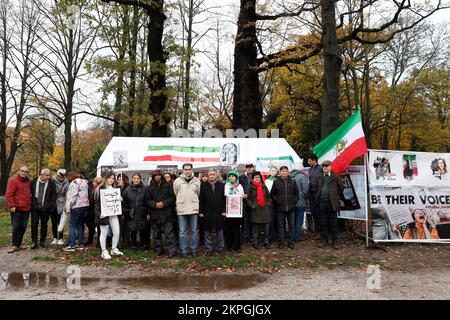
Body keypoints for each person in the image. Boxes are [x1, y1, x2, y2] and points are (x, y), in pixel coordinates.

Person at [173, 163, 201, 257]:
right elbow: (175, 193)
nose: (187, 171)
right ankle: (183, 251)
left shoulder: (197, 180)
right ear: (183, 170)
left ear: (192, 170)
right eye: (185, 169)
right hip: (182, 209)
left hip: (193, 209)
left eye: (189, 169)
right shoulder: (177, 181)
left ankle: (194, 250)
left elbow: (198, 193)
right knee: (182, 232)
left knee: (194, 231)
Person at [315, 160, 344, 250]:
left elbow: (341, 188)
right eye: (323, 166)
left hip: (332, 203)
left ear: (331, 167)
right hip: (322, 202)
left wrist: (334, 196)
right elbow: (317, 188)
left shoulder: (335, 176)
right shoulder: (319, 176)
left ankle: (335, 241)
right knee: (323, 222)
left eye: (326, 166)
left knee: (333, 222)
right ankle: (324, 240)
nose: (324, 167)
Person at [94, 173, 123, 259]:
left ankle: (114, 249)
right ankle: (104, 251)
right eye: (110, 178)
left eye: (113, 178)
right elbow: (97, 203)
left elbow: (117, 201)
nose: (111, 180)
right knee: (104, 233)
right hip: (104, 214)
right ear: (106, 178)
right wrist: (99, 213)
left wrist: (120, 199)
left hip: (113, 213)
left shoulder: (115, 189)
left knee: (117, 232)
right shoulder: (100, 188)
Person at [148, 170, 177, 257]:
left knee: (169, 233)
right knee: (156, 234)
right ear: (153, 177)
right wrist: (154, 204)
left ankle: (172, 251)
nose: (157, 176)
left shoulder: (168, 185)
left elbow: (172, 198)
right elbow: (147, 200)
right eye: (155, 175)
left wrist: (164, 203)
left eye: (159, 175)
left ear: (161, 176)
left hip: (166, 213)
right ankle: (159, 250)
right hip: (155, 213)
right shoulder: (150, 187)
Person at [270, 166, 299, 249]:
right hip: (280, 208)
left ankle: (291, 242)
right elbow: (272, 194)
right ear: (280, 173)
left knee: (291, 225)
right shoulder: (276, 182)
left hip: (291, 208)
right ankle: (281, 242)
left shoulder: (293, 181)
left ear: (288, 172)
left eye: (286, 171)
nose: (284, 172)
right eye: (283, 171)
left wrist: (294, 202)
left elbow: (296, 194)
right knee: (280, 225)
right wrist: (277, 201)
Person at [199, 169, 226, 255]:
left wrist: (224, 211)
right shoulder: (203, 185)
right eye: (210, 174)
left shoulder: (221, 185)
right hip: (207, 211)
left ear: (216, 175)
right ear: (208, 175)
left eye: (213, 174)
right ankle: (209, 248)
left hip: (218, 211)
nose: (212, 176)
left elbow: (223, 199)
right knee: (207, 230)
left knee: (219, 230)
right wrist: (201, 211)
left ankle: (220, 247)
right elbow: (201, 199)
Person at [6, 166, 32, 253]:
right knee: (16, 226)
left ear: (27, 173)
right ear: (19, 171)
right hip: (16, 208)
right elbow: (9, 195)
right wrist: (12, 205)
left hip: (26, 208)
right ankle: (14, 245)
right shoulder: (13, 181)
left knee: (23, 227)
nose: (23, 172)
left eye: (25, 171)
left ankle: (19, 244)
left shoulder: (28, 182)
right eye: (22, 171)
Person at [122, 173, 150, 250]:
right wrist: (125, 212)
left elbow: (148, 201)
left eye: (138, 178)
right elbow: (124, 202)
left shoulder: (145, 189)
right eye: (134, 178)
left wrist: (148, 213)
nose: (136, 180)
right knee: (133, 229)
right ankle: (133, 244)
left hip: (142, 212)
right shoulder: (127, 190)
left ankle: (143, 244)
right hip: (131, 212)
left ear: (140, 179)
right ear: (132, 179)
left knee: (142, 230)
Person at [30, 168, 57, 249]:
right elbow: (30, 193)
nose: (48, 177)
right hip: (35, 208)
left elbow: (54, 196)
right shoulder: (34, 182)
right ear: (41, 175)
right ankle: (34, 241)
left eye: (49, 175)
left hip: (45, 208)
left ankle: (42, 241)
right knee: (34, 225)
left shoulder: (51, 183)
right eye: (47, 175)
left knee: (44, 225)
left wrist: (50, 206)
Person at [64, 172, 90, 252]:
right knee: (79, 225)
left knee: (72, 225)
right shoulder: (84, 182)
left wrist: (68, 207)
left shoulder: (74, 183)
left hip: (76, 206)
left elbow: (73, 196)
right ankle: (80, 244)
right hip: (84, 206)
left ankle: (72, 245)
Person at [245, 171, 271, 249]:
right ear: (253, 178)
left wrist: (268, 204)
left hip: (265, 209)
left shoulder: (264, 186)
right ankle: (255, 242)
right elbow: (246, 198)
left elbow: (268, 197)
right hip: (255, 209)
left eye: (258, 177)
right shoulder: (250, 187)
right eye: (255, 177)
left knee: (266, 227)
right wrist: (252, 206)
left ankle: (266, 242)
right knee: (255, 228)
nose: (257, 179)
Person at [224, 170, 245, 252]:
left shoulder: (240, 186)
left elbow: (241, 197)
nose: (231, 178)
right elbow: (225, 197)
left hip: (237, 212)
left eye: (233, 176)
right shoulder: (226, 186)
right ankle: (229, 245)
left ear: (236, 177)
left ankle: (237, 246)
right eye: (230, 176)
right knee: (229, 228)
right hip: (229, 211)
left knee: (236, 228)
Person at [290, 163, 309, 242]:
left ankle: (291, 236)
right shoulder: (302, 177)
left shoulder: (290, 177)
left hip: (291, 202)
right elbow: (305, 190)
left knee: (292, 219)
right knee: (299, 219)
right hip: (300, 201)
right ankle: (297, 236)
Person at [51, 169, 69, 246]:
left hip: (62, 203)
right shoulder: (52, 181)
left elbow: (67, 194)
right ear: (57, 176)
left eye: (62, 177)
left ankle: (60, 238)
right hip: (53, 203)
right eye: (59, 177)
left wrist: (66, 205)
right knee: (53, 222)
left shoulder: (67, 182)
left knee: (61, 221)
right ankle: (55, 238)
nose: (61, 179)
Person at [308, 154, 323, 239]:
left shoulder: (320, 168)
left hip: (318, 193)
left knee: (319, 213)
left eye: (310, 161)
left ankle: (321, 232)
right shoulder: (310, 169)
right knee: (313, 213)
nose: (309, 163)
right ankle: (316, 231)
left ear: (314, 161)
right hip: (311, 193)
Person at [239, 163, 255, 241]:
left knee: (254, 219)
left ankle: (253, 235)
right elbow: (238, 186)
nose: (249, 168)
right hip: (245, 201)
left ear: (253, 167)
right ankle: (246, 236)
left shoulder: (256, 175)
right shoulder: (242, 177)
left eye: (250, 167)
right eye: (247, 167)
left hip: (254, 200)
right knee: (246, 219)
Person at [265, 166, 278, 245]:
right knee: (270, 220)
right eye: (271, 170)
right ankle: (269, 237)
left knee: (278, 220)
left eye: (275, 170)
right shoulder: (266, 181)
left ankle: (277, 236)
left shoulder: (278, 180)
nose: (273, 172)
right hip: (270, 202)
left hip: (278, 202)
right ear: (269, 172)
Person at [117, 173, 130, 249]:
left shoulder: (128, 189)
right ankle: (119, 244)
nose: (119, 181)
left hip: (126, 211)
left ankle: (126, 243)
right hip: (118, 212)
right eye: (118, 179)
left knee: (126, 229)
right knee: (118, 229)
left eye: (120, 179)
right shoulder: (116, 189)